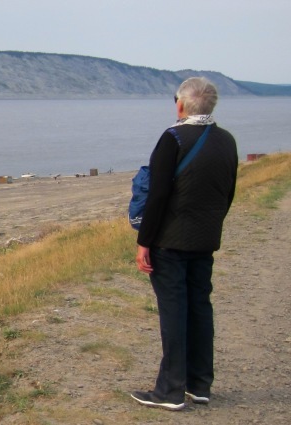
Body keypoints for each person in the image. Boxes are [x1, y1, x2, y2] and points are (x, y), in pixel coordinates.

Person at [131, 77, 239, 411]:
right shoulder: (226, 140)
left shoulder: (172, 137)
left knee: (174, 311)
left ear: (180, 104)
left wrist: (144, 241)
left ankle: (170, 390)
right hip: (204, 238)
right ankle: (200, 383)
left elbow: (159, 195)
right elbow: (228, 192)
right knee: (200, 307)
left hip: (170, 241)